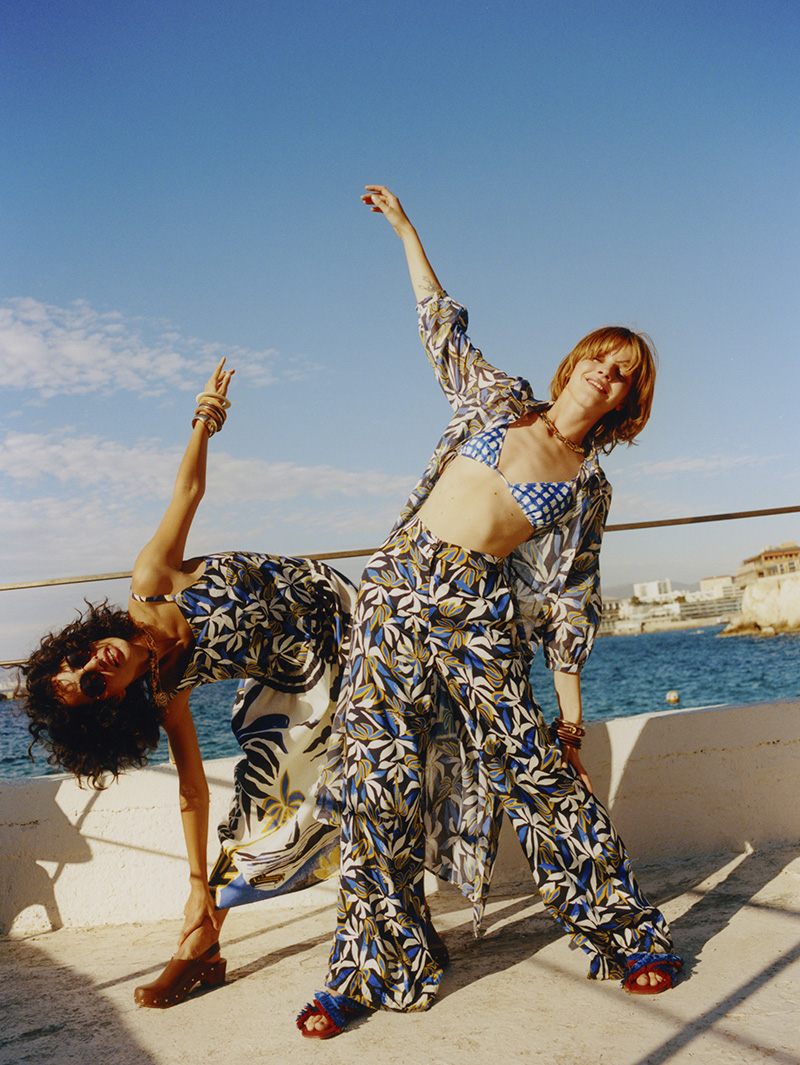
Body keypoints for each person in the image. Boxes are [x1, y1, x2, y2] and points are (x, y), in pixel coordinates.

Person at [297, 187, 681, 1038]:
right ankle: (371, 965)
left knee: (539, 775)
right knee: (377, 785)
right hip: (395, 594)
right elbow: (441, 325)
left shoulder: (587, 485)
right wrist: (406, 231)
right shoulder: (498, 399)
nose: (607, 372)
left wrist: (570, 722)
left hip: (475, 611)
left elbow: (571, 600)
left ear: (627, 401)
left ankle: (626, 935)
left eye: (623, 372)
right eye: (601, 356)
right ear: (574, 362)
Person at [20, 358, 357, 1008]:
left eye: (78, 655)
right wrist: (196, 880)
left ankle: (200, 946)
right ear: (112, 704)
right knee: (263, 800)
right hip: (301, 677)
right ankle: (200, 941)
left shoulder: (151, 582)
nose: (95, 663)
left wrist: (206, 417)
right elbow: (193, 789)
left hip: (340, 615)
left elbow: (188, 492)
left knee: (382, 753)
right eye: (90, 683)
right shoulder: (165, 692)